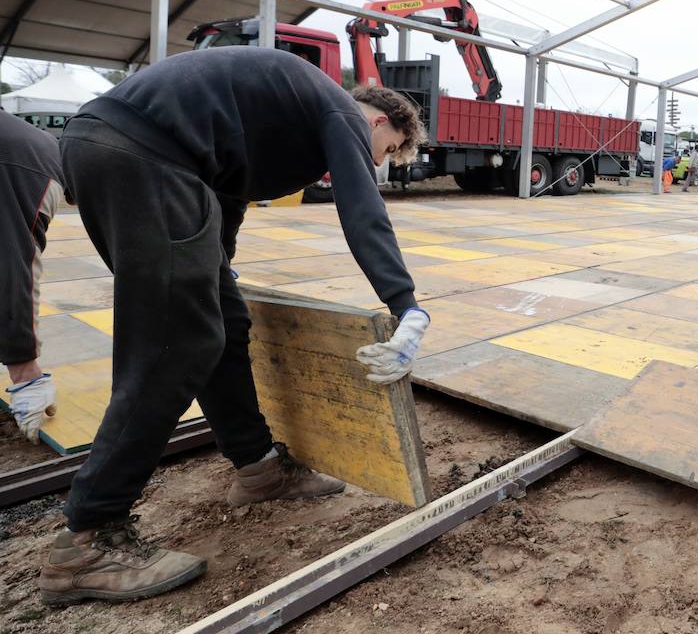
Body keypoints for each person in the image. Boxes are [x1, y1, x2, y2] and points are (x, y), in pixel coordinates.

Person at [40, 46, 432, 605]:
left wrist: (217, 264)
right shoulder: (341, 111)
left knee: (223, 320)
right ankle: (88, 539)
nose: (380, 163)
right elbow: (361, 208)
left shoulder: (283, 109)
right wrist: (406, 303)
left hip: (114, 149)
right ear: (376, 120)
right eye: (388, 150)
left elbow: (228, 190)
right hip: (145, 157)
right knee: (173, 346)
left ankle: (259, 469)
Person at [2, 110, 64, 443]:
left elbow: (11, 266)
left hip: (19, 161)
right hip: (27, 151)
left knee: (9, 258)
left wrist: (23, 369)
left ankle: (29, 378)